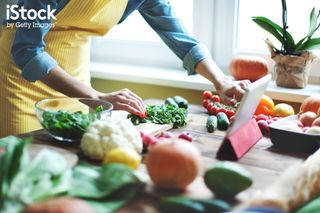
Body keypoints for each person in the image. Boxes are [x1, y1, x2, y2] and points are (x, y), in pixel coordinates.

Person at [0, 0, 250, 137]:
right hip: (21, 79)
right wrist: (96, 96)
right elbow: (27, 50)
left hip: (76, 80)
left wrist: (221, 81)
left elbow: (181, 39)